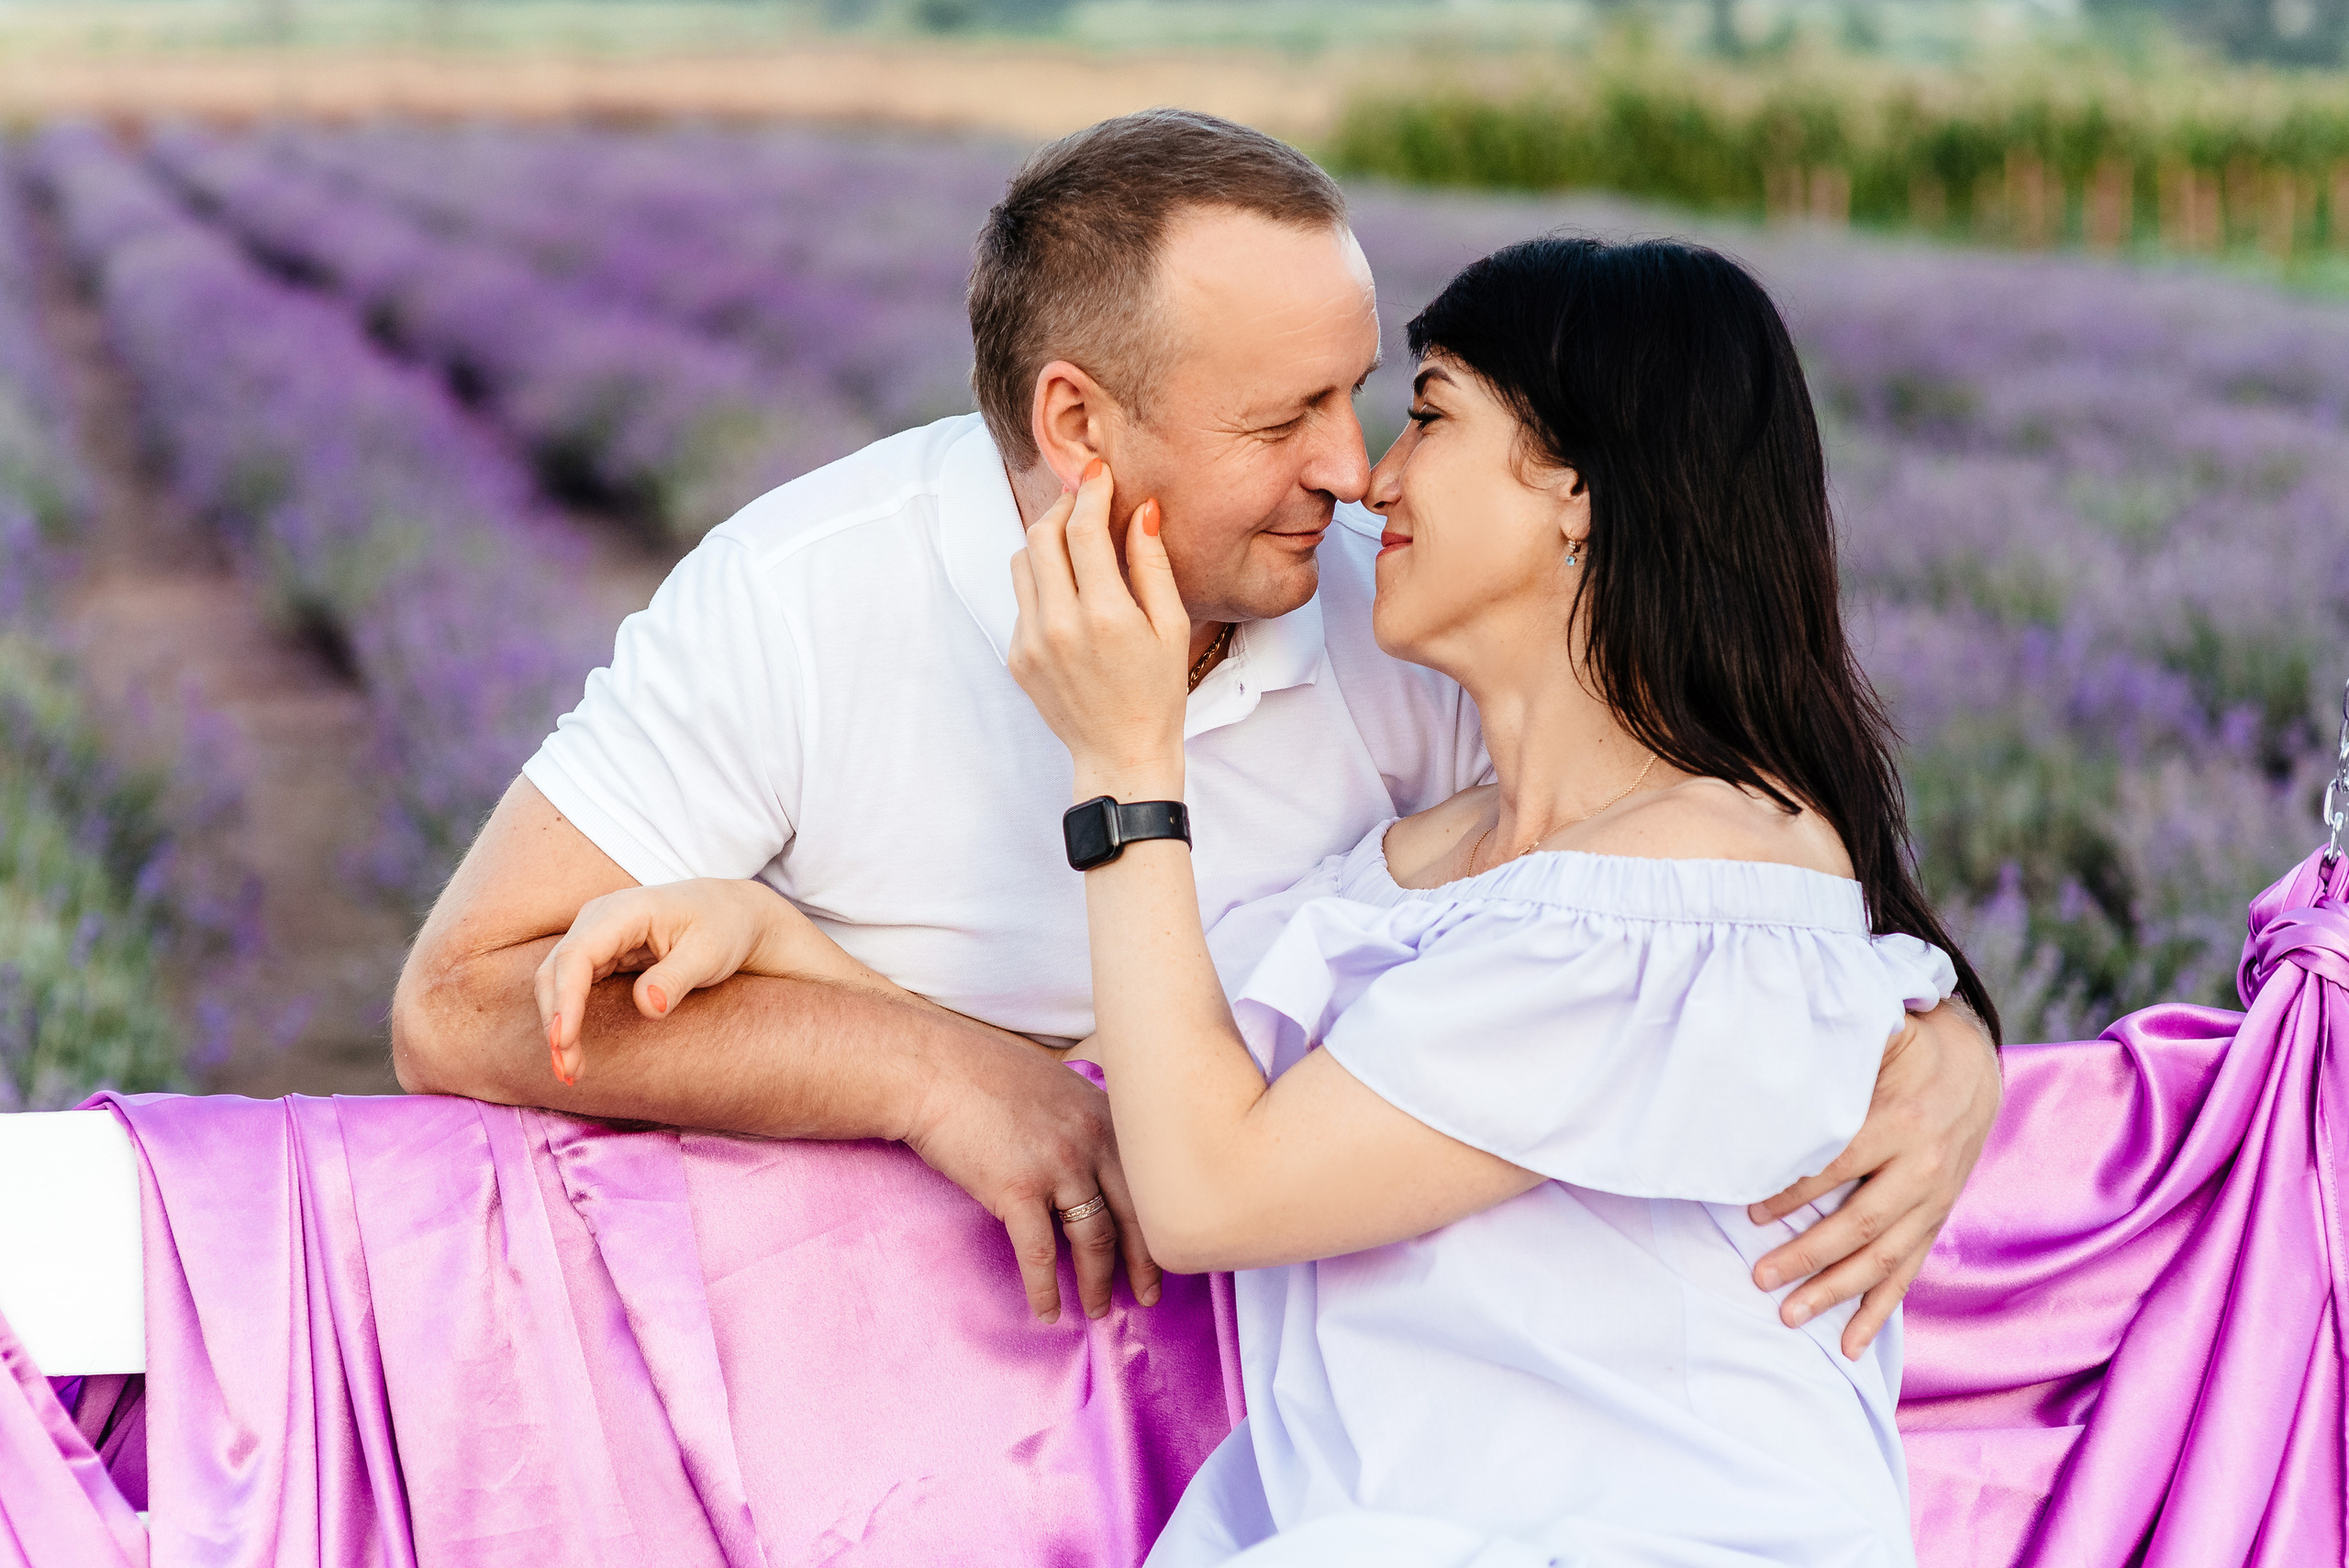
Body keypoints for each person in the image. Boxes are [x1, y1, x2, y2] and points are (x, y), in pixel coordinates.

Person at [396, 110, 1998, 1374]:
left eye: (1372, 397)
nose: (1354, 470)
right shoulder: (802, 596)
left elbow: (1687, 879)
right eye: (1278, 419)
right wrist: (921, 1064)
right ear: (1079, 424)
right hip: (917, 1413)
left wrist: (1944, 1031)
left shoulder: (1415, 613)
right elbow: (462, 1004)